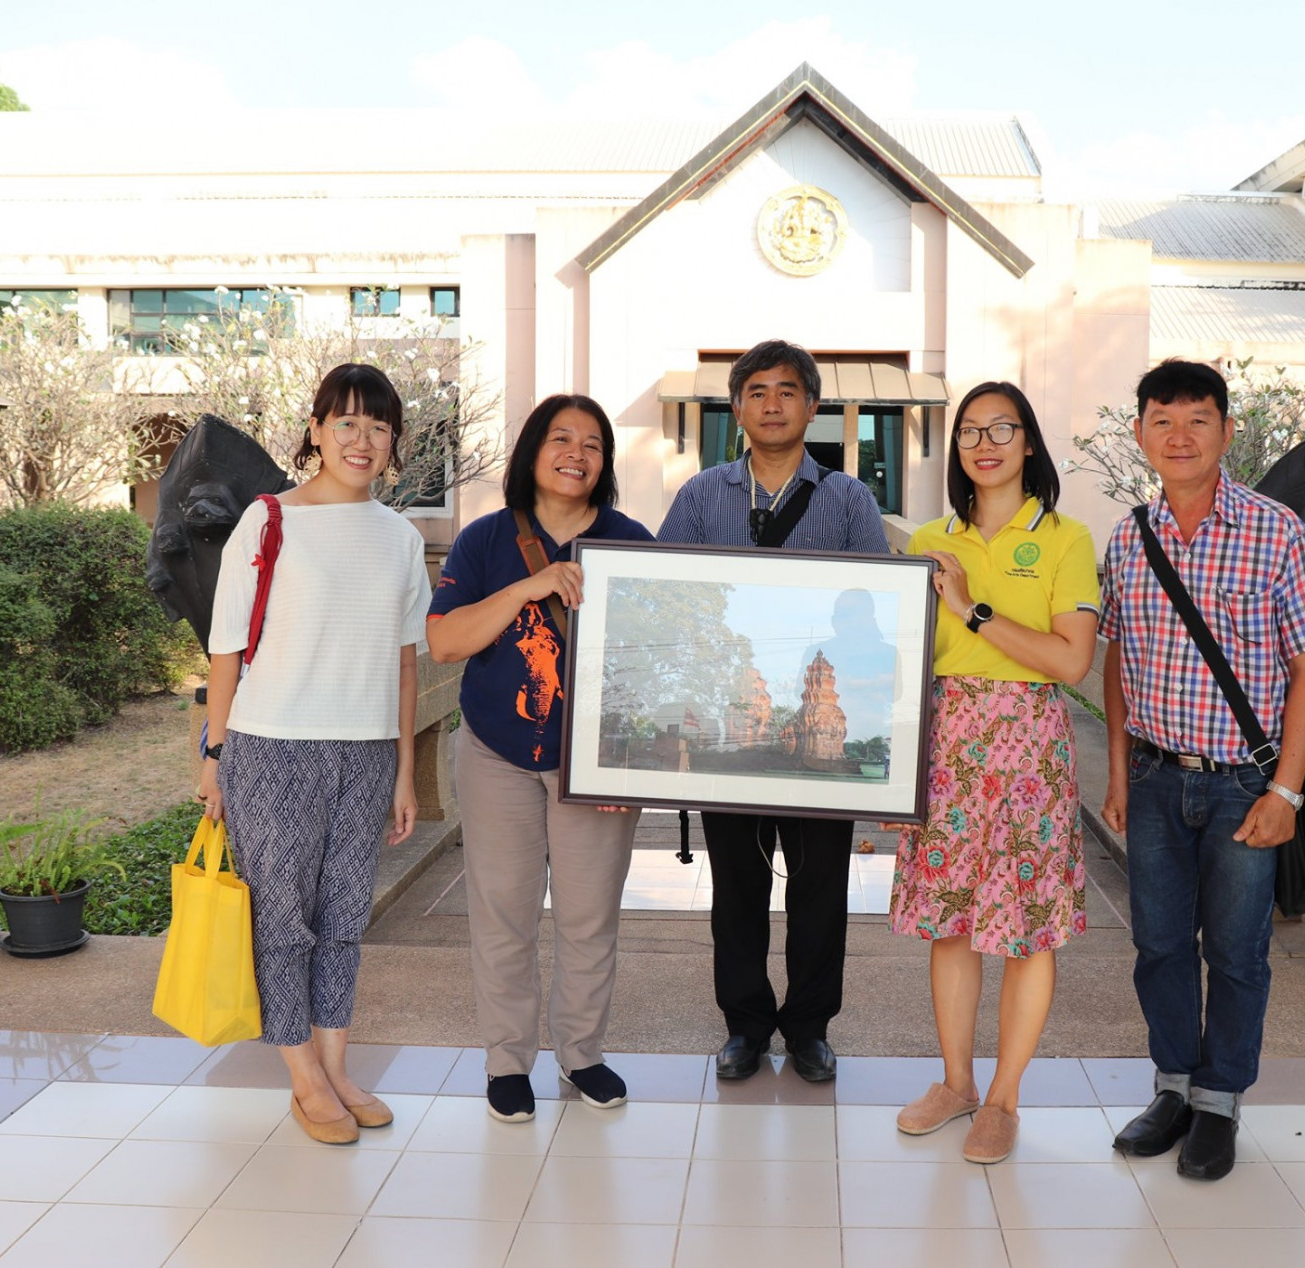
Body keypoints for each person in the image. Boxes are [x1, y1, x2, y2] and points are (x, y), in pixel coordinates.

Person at [1099, 359, 1305, 1180]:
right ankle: (1172, 1087)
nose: (1178, 435)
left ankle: (1219, 1104)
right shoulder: (1128, 537)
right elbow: (1117, 657)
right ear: (1138, 434)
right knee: (1160, 946)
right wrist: (1118, 770)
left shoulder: (1277, 531)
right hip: (1157, 778)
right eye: (1161, 419)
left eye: (1196, 419)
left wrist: (1285, 790)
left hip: (1244, 782)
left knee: (1237, 955)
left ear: (1225, 432)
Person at [199, 363, 431, 1145]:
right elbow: (226, 651)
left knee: (342, 918)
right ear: (316, 429)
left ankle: (336, 1066)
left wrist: (404, 769)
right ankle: (302, 1075)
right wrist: (214, 756)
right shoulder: (268, 521)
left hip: (365, 753)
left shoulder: (400, 538)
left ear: (393, 440)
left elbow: (405, 661)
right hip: (272, 747)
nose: (361, 441)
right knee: (281, 920)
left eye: (377, 427)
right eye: (346, 424)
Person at [656, 339, 890, 1082]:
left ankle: (811, 1028)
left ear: (811, 406)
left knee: (821, 891)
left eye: (787, 391)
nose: (772, 404)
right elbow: (673, 598)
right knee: (737, 890)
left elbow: (874, 615)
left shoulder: (848, 499)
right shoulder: (700, 496)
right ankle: (746, 1027)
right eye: (756, 391)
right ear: (737, 406)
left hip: (814, 722)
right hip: (736, 719)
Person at [426, 394, 654, 1124]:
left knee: (588, 918)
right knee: (503, 914)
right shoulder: (484, 540)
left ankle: (581, 1054)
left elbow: (657, 663)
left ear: (604, 464)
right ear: (532, 452)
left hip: (592, 764)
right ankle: (506, 1062)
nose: (576, 454)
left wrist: (629, 762)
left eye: (592, 444)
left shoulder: (631, 540)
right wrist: (531, 585)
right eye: (560, 439)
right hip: (496, 753)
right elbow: (445, 640)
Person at [888, 382, 1098, 1164]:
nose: (984, 443)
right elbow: (907, 664)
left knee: (1024, 929)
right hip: (945, 745)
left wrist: (974, 609)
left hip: (1026, 749)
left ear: (1029, 443)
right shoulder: (927, 541)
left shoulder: (1064, 539)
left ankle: (1004, 1099)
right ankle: (954, 1082)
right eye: (970, 431)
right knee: (949, 921)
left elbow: (1070, 661)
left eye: (1001, 428)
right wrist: (892, 774)